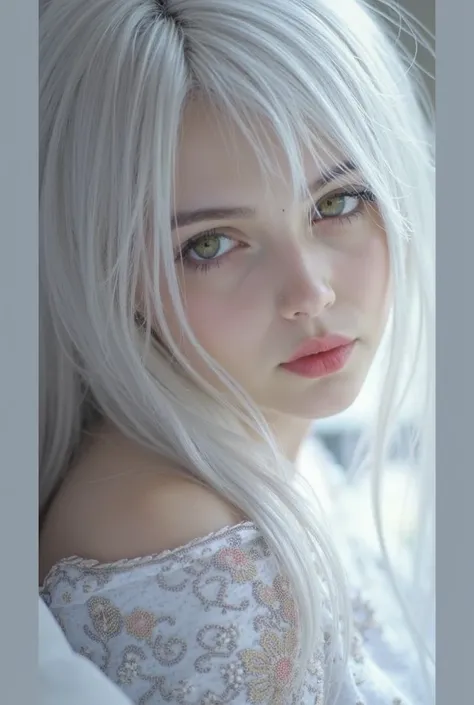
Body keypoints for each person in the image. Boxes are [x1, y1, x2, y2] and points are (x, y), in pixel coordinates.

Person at [38, 0, 435, 703]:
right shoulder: (186, 542)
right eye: (211, 244)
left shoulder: (272, 433)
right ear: (112, 275)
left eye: (338, 203)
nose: (308, 291)